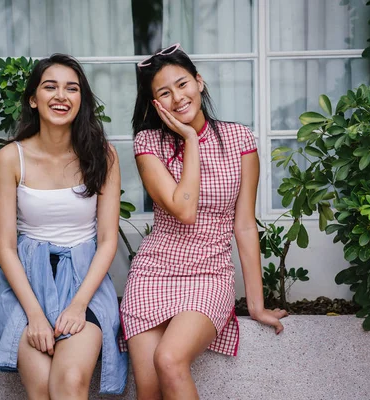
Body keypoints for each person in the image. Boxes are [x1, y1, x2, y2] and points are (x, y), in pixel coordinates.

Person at [119, 44, 289, 399]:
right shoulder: (147, 143)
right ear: (155, 104)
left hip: (208, 275)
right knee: (147, 389)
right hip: (153, 273)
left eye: (183, 84)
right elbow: (184, 209)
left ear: (200, 82)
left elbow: (243, 225)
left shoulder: (239, 139)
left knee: (169, 359)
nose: (178, 97)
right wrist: (191, 139)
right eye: (164, 92)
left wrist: (255, 305)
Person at [0, 54, 127, 399]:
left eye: (71, 88)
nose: (61, 95)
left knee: (70, 382)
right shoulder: (11, 157)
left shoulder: (102, 155)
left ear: (82, 101)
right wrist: (34, 315)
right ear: (34, 99)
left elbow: (107, 240)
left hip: (84, 283)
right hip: (26, 288)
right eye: (50, 87)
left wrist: (78, 306)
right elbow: (6, 247)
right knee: (41, 387)